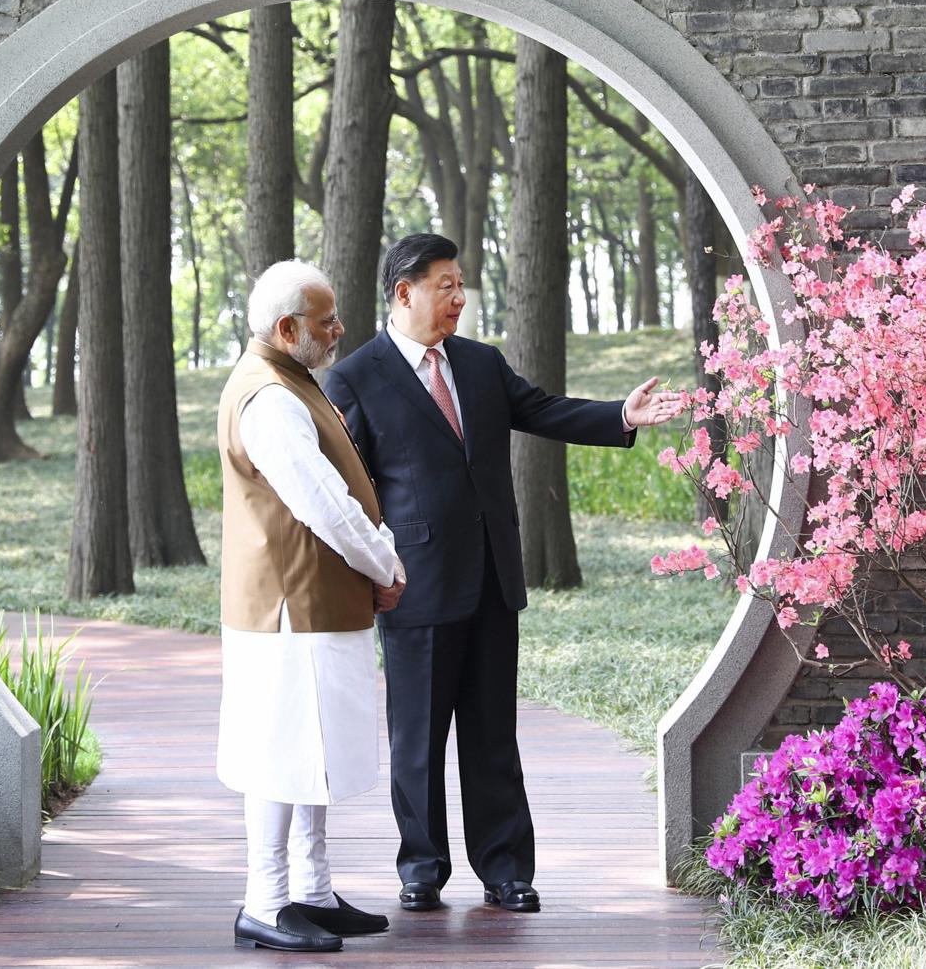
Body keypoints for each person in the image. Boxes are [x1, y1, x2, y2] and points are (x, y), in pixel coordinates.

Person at [322, 233, 683, 915]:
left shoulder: (482, 364)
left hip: (492, 579)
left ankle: (506, 869)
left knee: (493, 735)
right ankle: (422, 867)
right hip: (414, 584)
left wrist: (621, 416)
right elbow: (350, 489)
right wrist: (368, 569)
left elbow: (543, 409)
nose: (459, 297)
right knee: (418, 740)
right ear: (405, 291)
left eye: (462, 284)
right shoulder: (356, 377)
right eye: (446, 284)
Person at [216, 259, 407, 954]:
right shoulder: (269, 396)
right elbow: (324, 503)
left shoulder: (289, 378)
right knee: (279, 756)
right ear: (287, 327)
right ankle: (266, 902)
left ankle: (312, 891)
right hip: (287, 611)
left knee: (308, 754)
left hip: (304, 606)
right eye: (327, 321)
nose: (340, 329)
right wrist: (384, 560)